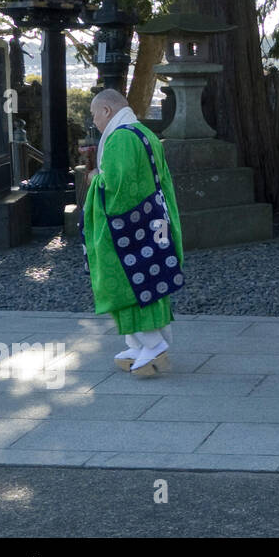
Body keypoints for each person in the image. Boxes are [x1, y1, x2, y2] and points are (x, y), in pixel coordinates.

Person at [82, 88, 182, 376]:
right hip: (151, 223)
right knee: (151, 281)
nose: (94, 122)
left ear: (107, 111)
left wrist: (94, 178)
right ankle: (138, 344)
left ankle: (152, 345)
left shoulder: (120, 139)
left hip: (127, 230)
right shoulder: (144, 133)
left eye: (94, 115)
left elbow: (117, 188)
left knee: (126, 285)